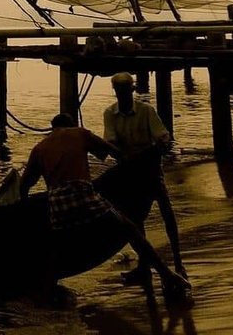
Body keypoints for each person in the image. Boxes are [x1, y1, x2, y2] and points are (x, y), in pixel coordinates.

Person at [20, 114, 191, 306]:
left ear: (52, 129)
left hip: (57, 203)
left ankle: (46, 294)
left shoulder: (39, 148)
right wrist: (127, 165)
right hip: (83, 195)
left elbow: (24, 185)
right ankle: (167, 276)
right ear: (70, 125)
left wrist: (25, 209)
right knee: (129, 228)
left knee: (56, 250)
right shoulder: (79, 133)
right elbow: (112, 152)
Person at [102, 72, 186, 284]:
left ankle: (178, 262)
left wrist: (160, 145)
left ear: (131, 90)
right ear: (116, 91)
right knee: (136, 219)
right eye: (119, 91)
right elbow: (111, 144)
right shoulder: (110, 113)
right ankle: (144, 265)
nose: (122, 94)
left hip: (149, 168)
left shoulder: (146, 110)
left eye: (125, 90)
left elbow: (163, 137)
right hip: (129, 171)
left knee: (166, 211)